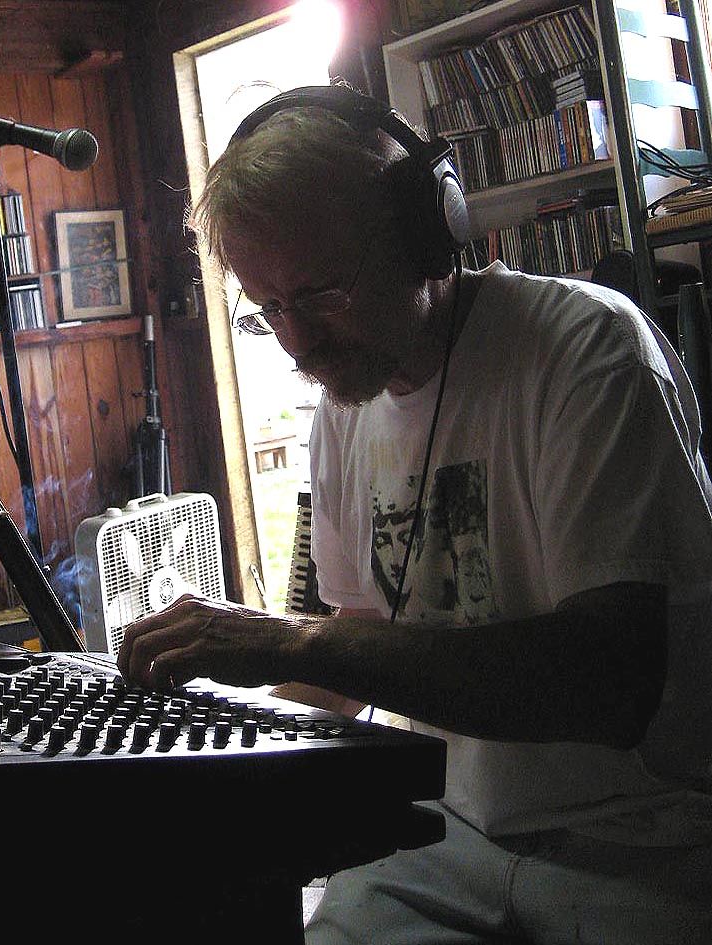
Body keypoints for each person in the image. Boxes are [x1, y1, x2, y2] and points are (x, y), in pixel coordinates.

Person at [117, 83, 712, 943]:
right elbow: (362, 628)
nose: (298, 342)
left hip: (642, 839)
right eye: (270, 308)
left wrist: (286, 639)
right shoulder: (342, 409)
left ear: (424, 234)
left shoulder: (586, 351)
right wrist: (208, 746)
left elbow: (608, 684)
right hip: (450, 835)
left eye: (321, 292)